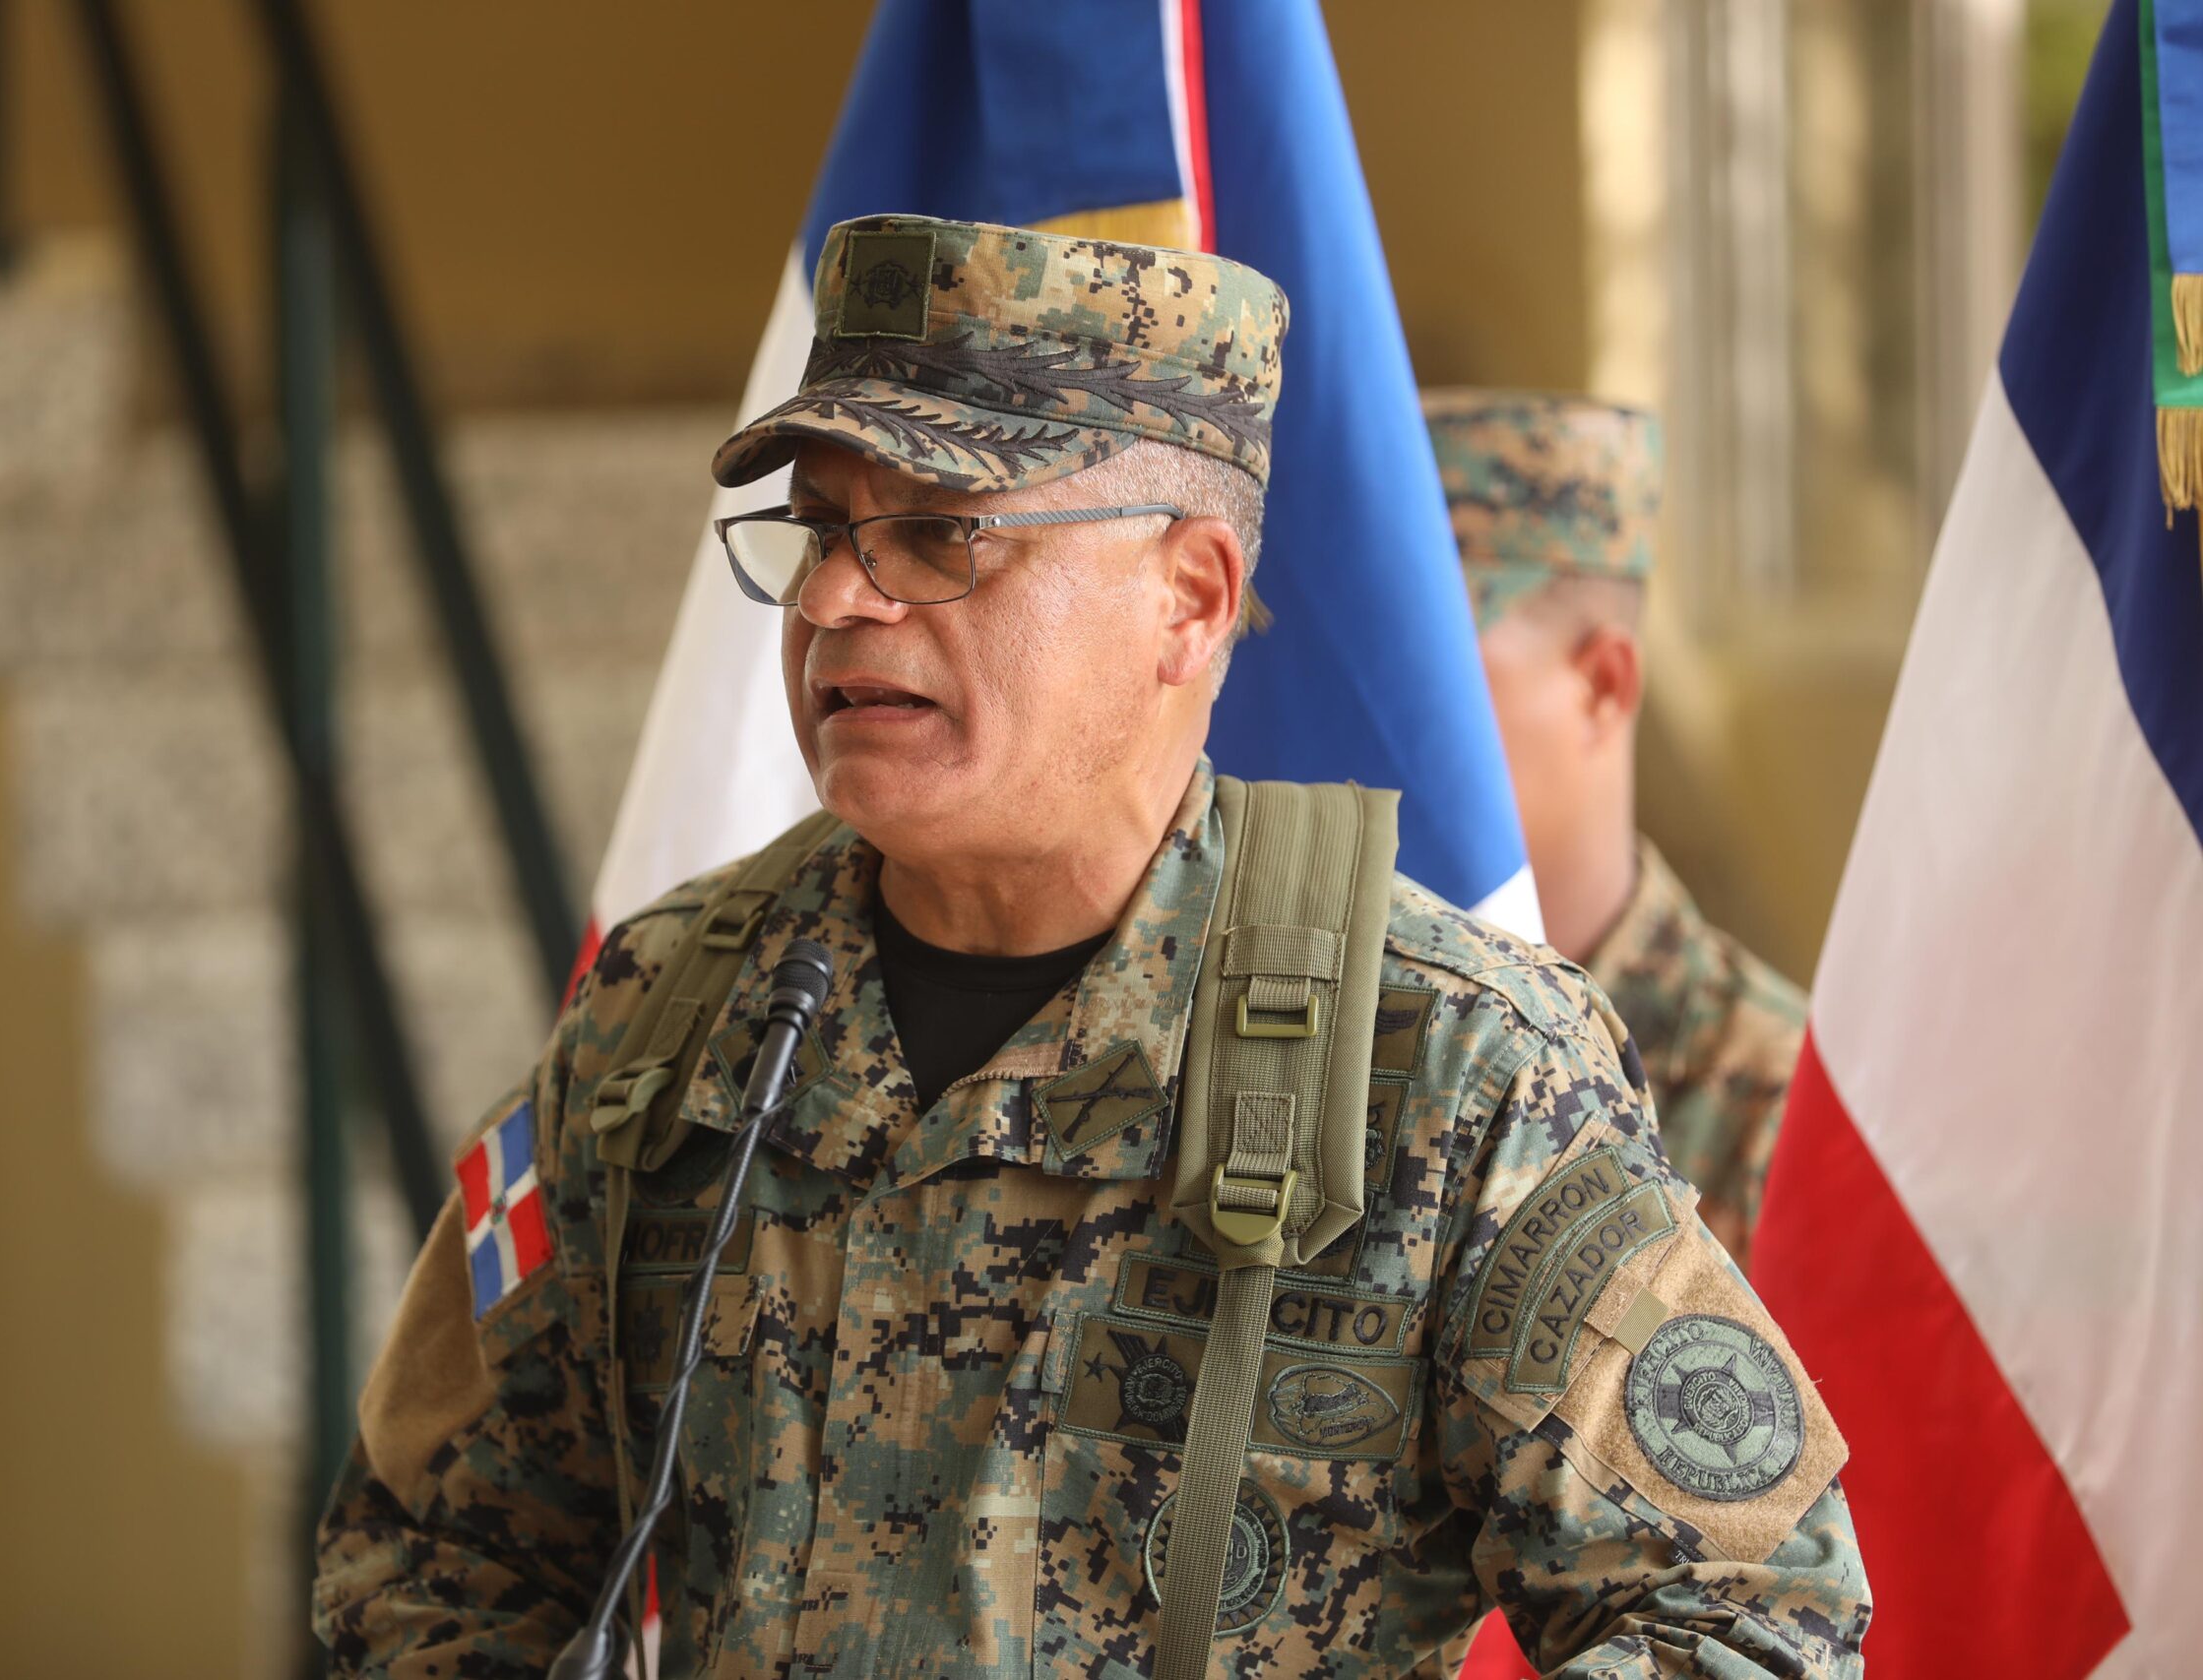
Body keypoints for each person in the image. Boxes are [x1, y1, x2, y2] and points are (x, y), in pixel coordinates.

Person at [313, 217, 1866, 1677]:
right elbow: (430, 1550)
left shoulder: (1452, 1063)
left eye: (939, 532)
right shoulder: (668, 1012)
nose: (838, 595)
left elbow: (1749, 1616)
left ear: (1188, 599)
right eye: (824, 528)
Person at [1425, 390, 1809, 1269]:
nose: (1386, 722)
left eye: (1438, 670)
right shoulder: (1327, 1043)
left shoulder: (1778, 1108)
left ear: (1603, 683)